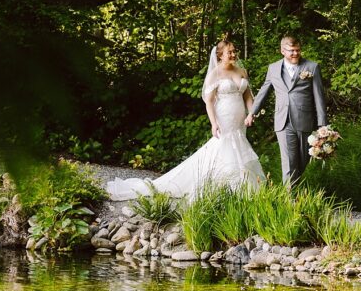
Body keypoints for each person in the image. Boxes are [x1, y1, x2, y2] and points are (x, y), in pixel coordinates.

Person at [106, 39, 266, 201]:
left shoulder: (241, 71)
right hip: (224, 116)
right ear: (219, 55)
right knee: (224, 146)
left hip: (239, 119)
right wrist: (214, 123)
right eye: (229, 52)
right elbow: (209, 101)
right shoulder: (215, 74)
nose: (233, 54)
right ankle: (227, 187)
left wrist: (251, 113)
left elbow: (247, 96)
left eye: (234, 51)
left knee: (239, 145)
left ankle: (244, 186)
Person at [246, 36, 327, 185]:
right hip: (283, 121)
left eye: (298, 50)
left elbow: (319, 97)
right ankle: (290, 201)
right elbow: (264, 91)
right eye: (291, 51)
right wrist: (252, 113)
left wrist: (323, 125)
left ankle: (294, 192)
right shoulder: (273, 68)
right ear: (282, 51)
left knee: (303, 161)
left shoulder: (312, 67)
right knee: (289, 162)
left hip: (305, 120)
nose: (295, 53)